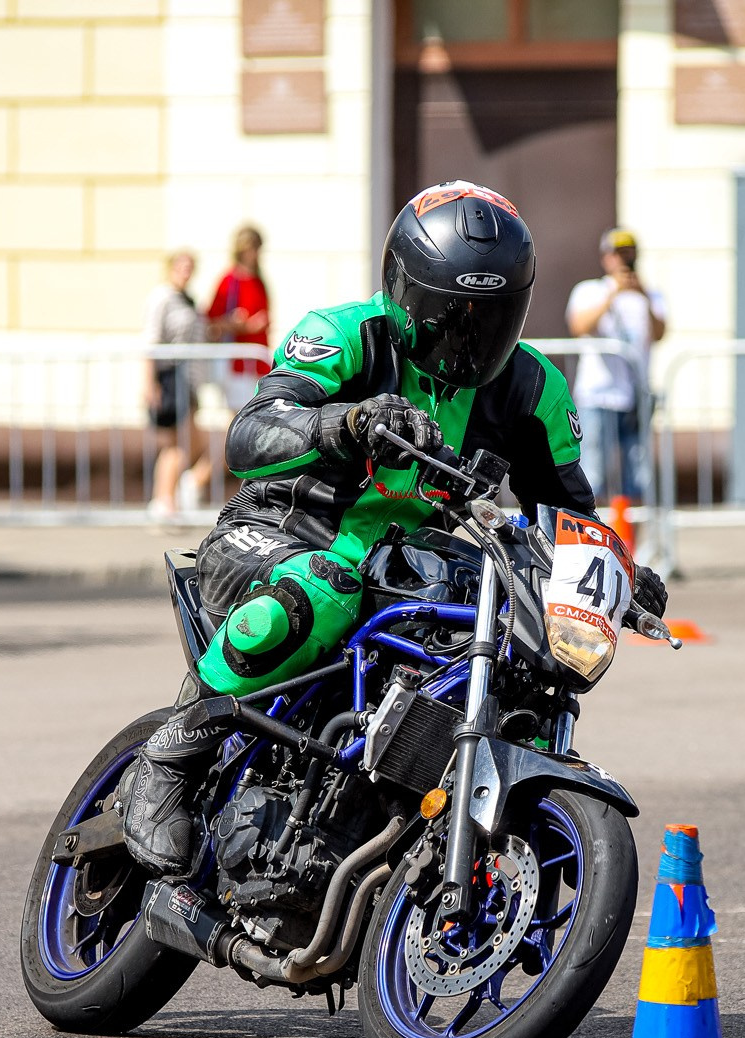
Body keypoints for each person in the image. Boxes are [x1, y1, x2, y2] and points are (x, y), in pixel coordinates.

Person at [114, 181, 668, 875]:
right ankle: (171, 756)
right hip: (281, 537)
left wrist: (614, 568)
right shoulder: (345, 334)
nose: (469, 337)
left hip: (405, 571)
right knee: (322, 585)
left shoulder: (533, 389)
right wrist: (345, 422)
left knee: (513, 643)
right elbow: (248, 435)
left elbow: (567, 510)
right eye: (450, 315)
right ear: (404, 290)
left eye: (490, 318)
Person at [565, 227, 667, 505]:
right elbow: (579, 325)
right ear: (606, 258)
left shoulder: (650, 295)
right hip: (598, 395)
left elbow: (660, 333)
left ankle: (631, 542)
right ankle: (588, 535)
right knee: (591, 472)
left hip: (635, 396)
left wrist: (642, 294)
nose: (624, 260)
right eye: (619, 254)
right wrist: (613, 294)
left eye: (629, 254)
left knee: (636, 476)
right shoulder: (591, 290)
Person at [140, 249, 210, 514]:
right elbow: (150, 341)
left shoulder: (187, 300)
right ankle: (163, 502)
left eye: (190, 266)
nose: (185, 271)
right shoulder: (162, 298)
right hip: (169, 378)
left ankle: (169, 499)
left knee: (190, 443)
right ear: (170, 268)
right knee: (176, 443)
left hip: (188, 380)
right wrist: (149, 383)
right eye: (181, 266)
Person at [206, 224, 271, 413]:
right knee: (240, 414)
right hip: (238, 362)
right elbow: (211, 321)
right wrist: (239, 325)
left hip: (257, 360)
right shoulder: (229, 281)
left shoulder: (258, 280)